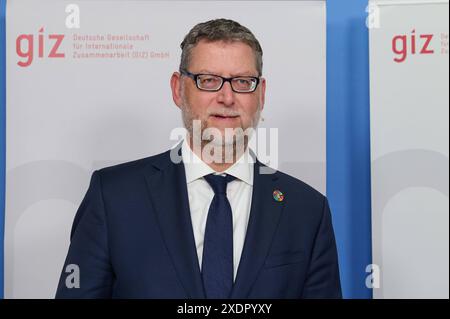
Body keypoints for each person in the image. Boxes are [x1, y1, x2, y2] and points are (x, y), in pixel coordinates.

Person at [56, 18, 341, 299]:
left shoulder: (307, 211)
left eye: (243, 82)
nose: (227, 97)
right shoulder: (114, 197)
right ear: (178, 89)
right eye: (209, 81)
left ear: (261, 94)